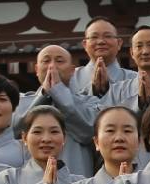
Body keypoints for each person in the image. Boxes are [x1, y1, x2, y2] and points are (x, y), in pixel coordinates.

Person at [14, 45, 100, 176]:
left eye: (59, 61)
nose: (52, 66)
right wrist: (44, 95)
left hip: (77, 181)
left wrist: (58, 92)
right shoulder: (20, 102)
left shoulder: (89, 102)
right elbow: (14, 130)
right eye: (46, 61)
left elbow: (88, 133)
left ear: (72, 70)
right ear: (36, 69)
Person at [74, 17, 136, 97]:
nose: (101, 42)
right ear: (85, 45)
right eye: (94, 37)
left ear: (119, 43)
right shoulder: (71, 78)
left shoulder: (134, 79)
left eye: (108, 36)